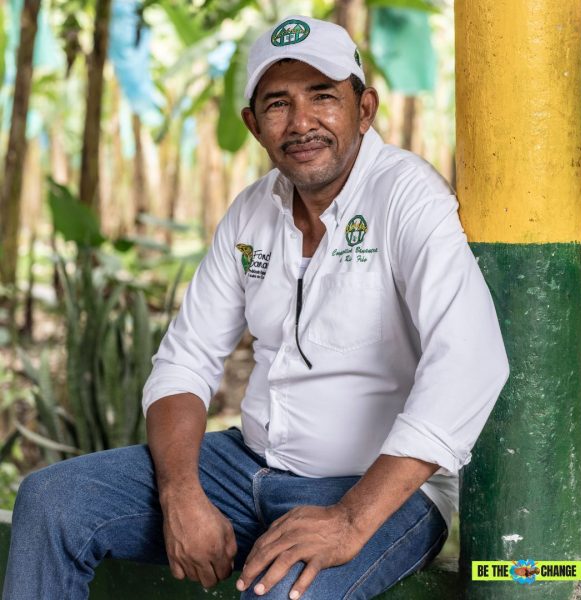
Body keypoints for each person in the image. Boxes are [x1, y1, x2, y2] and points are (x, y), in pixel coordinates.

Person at [2, 15, 509, 600]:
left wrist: (349, 520)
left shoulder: (406, 196)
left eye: (323, 97)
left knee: (279, 594)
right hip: (243, 467)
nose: (301, 123)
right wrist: (182, 494)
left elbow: (471, 361)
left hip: (376, 493)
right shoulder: (251, 213)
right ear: (252, 124)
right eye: (277, 104)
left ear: (364, 108)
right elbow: (184, 362)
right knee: (52, 502)